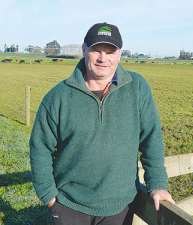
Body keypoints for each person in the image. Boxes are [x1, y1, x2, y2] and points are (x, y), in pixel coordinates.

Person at [29, 22, 175, 225]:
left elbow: (152, 139)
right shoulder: (58, 97)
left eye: (110, 52)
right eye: (96, 50)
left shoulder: (137, 88)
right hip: (69, 206)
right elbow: (39, 148)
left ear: (120, 54)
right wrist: (50, 199)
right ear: (83, 50)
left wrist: (157, 184)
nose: (103, 58)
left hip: (120, 208)